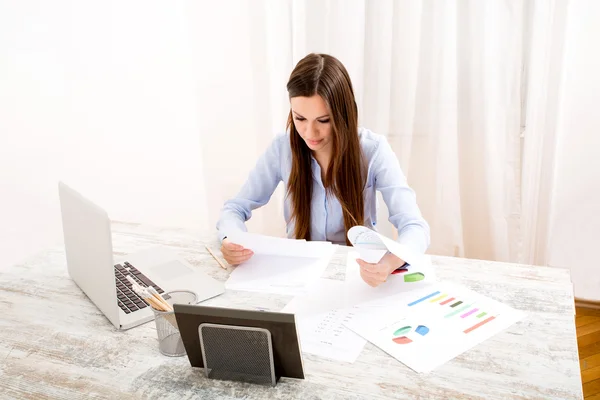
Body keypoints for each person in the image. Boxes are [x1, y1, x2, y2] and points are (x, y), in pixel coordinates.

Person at [216, 53, 430, 287]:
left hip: (357, 275)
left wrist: (389, 263)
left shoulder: (373, 150)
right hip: (298, 274)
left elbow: (414, 226)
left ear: (343, 114)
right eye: (300, 118)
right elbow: (235, 208)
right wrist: (230, 239)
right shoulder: (282, 148)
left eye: (323, 120)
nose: (309, 133)